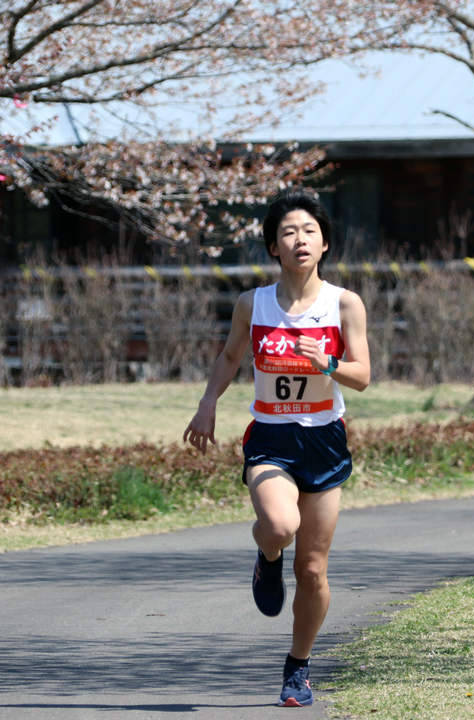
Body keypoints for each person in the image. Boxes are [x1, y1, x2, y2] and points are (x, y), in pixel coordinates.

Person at [183, 189, 370, 708]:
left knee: (312, 570)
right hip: (271, 437)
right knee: (281, 526)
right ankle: (267, 555)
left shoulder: (344, 303)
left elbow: (363, 376)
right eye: (288, 232)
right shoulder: (254, 303)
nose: (300, 239)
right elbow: (227, 357)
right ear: (274, 247)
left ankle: (297, 668)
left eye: (309, 230)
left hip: (325, 438)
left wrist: (325, 363)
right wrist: (207, 404)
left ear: (325, 243)